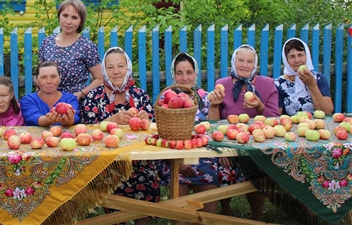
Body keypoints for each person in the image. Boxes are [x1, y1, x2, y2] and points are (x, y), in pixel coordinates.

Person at [80, 47, 158, 225]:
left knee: (147, 179)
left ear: (128, 68)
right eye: (110, 67)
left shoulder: (140, 96)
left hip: (138, 161)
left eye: (121, 66)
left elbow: (153, 134)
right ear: (104, 71)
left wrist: (146, 121)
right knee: (113, 184)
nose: (116, 72)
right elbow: (86, 132)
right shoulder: (93, 97)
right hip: (106, 163)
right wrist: (110, 121)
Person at [208, 44, 280, 221]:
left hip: (257, 144)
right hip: (229, 143)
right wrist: (214, 105)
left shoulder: (268, 84)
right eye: (240, 60)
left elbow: (275, 120)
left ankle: (256, 215)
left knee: (258, 170)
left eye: (250, 61)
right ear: (234, 62)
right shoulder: (221, 84)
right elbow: (213, 124)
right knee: (222, 166)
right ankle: (226, 210)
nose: (245, 65)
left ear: (255, 64)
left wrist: (260, 106)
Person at [170, 52, 219, 222]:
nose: (185, 77)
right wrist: (180, 161)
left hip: (202, 155)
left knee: (209, 176)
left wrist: (214, 106)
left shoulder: (205, 97)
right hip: (175, 156)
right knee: (178, 180)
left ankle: (206, 220)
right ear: (173, 75)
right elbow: (164, 135)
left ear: (196, 73)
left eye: (189, 72)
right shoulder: (167, 98)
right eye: (180, 73)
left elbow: (213, 129)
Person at [38, 0, 103, 101]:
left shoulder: (86, 46)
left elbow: (100, 79)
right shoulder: (47, 42)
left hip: (74, 102)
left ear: (81, 21)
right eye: (65, 15)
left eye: (74, 17)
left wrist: (80, 94)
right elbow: (40, 74)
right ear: (59, 16)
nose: (68, 21)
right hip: (47, 100)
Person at [274, 38, 333, 116]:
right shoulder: (279, 84)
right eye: (292, 56)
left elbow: (328, 111)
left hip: (318, 126)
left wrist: (312, 85)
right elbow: (276, 116)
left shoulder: (318, 78)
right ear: (286, 60)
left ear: (307, 56)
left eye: (300, 55)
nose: (297, 60)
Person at [20, 60, 79, 126]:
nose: (49, 81)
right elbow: (33, 118)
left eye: (53, 76)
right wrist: (48, 120)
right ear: (36, 80)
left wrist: (68, 121)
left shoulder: (70, 99)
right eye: (43, 77)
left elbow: (75, 118)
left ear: (59, 78)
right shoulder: (28, 100)